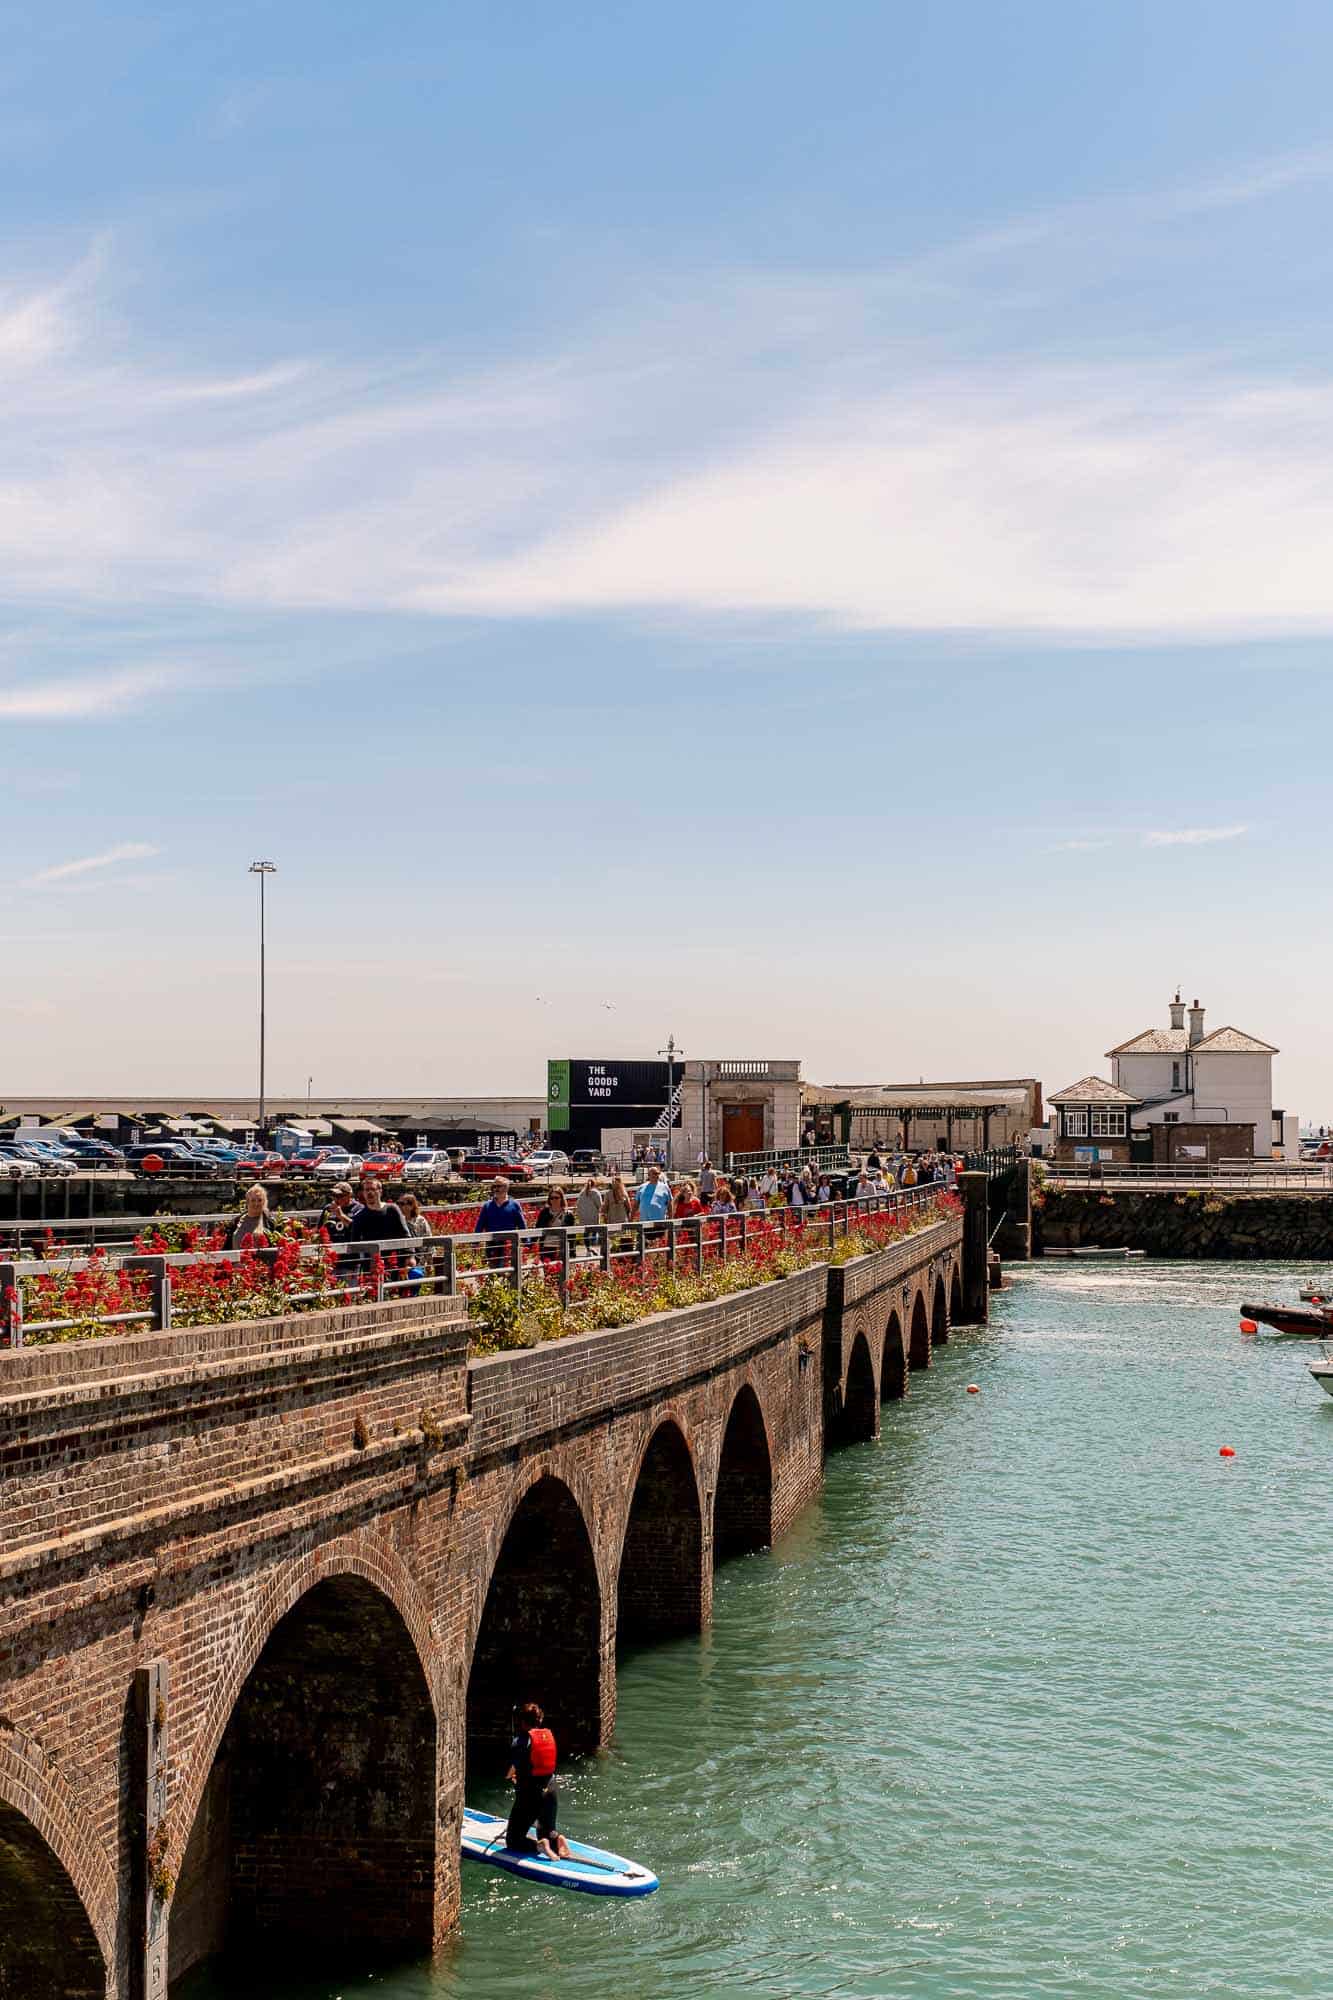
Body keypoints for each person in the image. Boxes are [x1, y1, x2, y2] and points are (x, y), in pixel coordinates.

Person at [506, 1701, 570, 1859]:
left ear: (522, 1721)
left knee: (513, 1840)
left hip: (530, 1795)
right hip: (551, 1790)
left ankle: (539, 1846)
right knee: (546, 1830)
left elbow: (511, 1772)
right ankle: (557, 1840)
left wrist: (511, 1776)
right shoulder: (547, 1736)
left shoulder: (521, 1741)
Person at [475, 1175, 528, 1269]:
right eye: (494, 1187)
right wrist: (475, 1242)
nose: (496, 1189)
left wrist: (527, 1242)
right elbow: (480, 1225)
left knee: (507, 1272)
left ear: (506, 1188)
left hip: (509, 1244)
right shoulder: (487, 1206)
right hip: (492, 1244)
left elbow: (521, 1224)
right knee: (493, 1272)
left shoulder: (514, 1205)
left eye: (498, 1186)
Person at [226, 1183, 272, 1249]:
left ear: (264, 1202)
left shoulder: (270, 1223)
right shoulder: (235, 1222)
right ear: (247, 1202)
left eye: (260, 1200)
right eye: (253, 1200)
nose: (256, 1203)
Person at [535, 1185, 572, 1265]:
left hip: (561, 1247)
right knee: (548, 1271)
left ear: (561, 1198)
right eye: (552, 1198)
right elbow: (537, 1228)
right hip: (546, 1246)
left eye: (556, 1198)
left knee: (561, 1271)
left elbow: (572, 1235)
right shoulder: (544, 1213)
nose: (554, 1200)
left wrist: (572, 1251)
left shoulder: (568, 1214)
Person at [575, 1176, 603, 1253]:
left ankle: (588, 1249)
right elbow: (600, 1205)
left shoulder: (581, 1193)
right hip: (593, 1216)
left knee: (586, 1233)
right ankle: (593, 1247)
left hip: (583, 1217)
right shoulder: (596, 1193)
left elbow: (578, 1204)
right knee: (594, 1232)